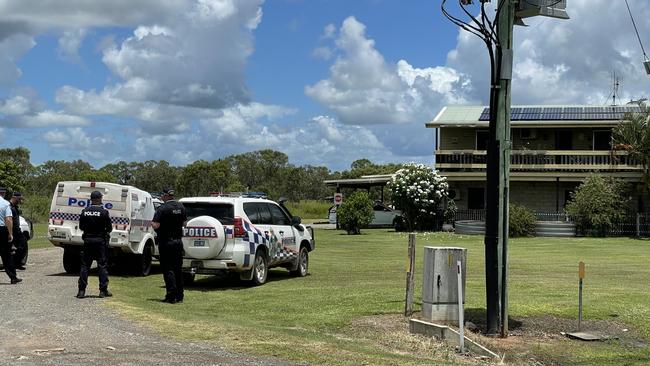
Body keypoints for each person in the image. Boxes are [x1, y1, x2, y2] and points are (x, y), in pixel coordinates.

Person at [152, 188, 187, 304]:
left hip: (166, 242)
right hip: (178, 242)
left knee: (168, 269)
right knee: (178, 269)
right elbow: (184, 224)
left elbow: (156, 225)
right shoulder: (181, 207)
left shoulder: (162, 208)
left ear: (165, 196)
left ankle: (171, 296)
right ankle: (180, 295)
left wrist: (153, 224)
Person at [77, 190, 113, 299]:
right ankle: (103, 291)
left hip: (88, 240)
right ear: (98, 199)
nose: (101, 199)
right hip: (100, 241)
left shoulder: (85, 211)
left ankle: (81, 291)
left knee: (85, 266)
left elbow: (81, 227)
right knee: (102, 266)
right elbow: (109, 228)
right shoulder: (104, 212)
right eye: (101, 198)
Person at [0, 187, 20, 284]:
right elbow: (8, 219)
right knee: (7, 255)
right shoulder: (5, 204)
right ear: (3, 194)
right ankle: (13, 277)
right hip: (2, 230)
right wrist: (10, 233)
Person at [9, 192, 27, 270]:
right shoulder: (8, 207)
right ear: (14, 198)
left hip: (17, 230)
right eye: (19, 199)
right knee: (14, 248)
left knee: (23, 245)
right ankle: (14, 263)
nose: (20, 201)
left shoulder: (15, 207)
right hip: (12, 230)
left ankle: (17, 263)